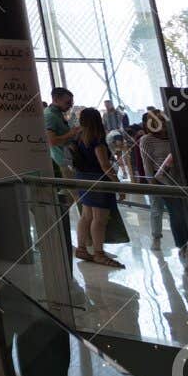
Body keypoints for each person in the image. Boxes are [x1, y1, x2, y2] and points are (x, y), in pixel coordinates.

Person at [70, 107, 124, 269]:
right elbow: (104, 165)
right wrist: (117, 184)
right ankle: (99, 253)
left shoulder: (78, 138)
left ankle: (81, 248)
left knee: (86, 216)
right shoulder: (97, 139)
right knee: (99, 219)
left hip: (82, 179)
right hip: (98, 180)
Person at [138, 108, 178, 250]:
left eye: (163, 119)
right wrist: (152, 182)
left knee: (176, 211)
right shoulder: (147, 139)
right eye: (158, 120)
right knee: (157, 208)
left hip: (175, 178)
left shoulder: (173, 138)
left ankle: (181, 241)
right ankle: (156, 237)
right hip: (158, 178)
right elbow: (146, 163)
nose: (161, 122)